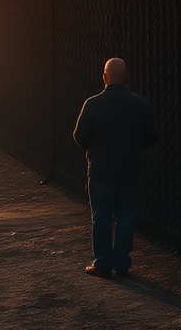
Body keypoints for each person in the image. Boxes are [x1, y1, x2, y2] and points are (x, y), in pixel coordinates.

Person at [73, 57, 158, 279]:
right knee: (126, 214)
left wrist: (97, 150)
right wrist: (133, 149)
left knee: (101, 215)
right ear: (127, 76)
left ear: (104, 77)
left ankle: (102, 263)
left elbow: (79, 136)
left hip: (101, 169)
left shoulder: (92, 104)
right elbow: (151, 135)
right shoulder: (140, 104)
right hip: (129, 168)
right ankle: (122, 264)